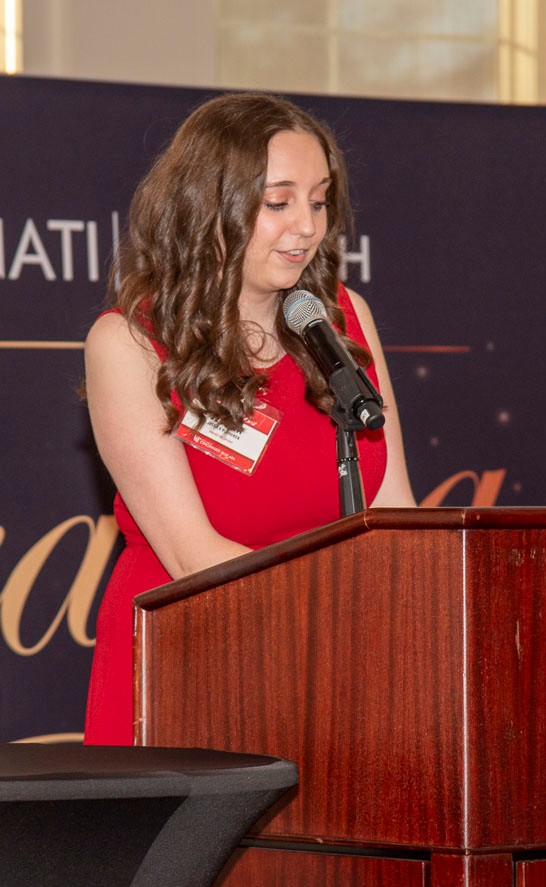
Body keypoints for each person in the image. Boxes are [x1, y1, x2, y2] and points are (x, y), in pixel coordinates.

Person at [83, 91, 415, 746]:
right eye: (278, 202)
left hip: (335, 673)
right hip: (191, 667)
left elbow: (397, 510)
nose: (307, 227)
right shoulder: (128, 342)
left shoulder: (344, 319)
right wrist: (341, 627)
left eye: (319, 200)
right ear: (211, 205)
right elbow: (192, 555)